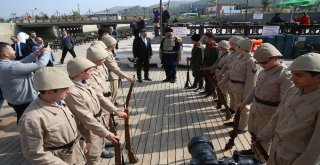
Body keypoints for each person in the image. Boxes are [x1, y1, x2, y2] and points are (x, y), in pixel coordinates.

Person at [257, 53, 320, 165]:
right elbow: (277, 117)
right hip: (276, 150)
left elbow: (315, 149)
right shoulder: (292, 91)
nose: (292, 78)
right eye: (292, 74)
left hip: (295, 159)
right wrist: (263, 136)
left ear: (318, 78)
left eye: (299, 75)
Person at [235, 43, 293, 162]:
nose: (261, 65)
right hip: (256, 108)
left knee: (264, 138)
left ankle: (260, 159)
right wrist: (244, 102)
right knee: (254, 132)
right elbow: (255, 89)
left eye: (264, 62)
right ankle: (254, 151)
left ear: (276, 58)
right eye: (259, 62)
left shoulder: (285, 75)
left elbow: (285, 102)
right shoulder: (263, 71)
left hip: (270, 112)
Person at [19, 67, 86, 165]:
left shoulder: (59, 101)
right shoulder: (31, 119)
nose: (69, 91)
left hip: (76, 155)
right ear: (48, 91)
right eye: (65, 88)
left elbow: (70, 124)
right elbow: (34, 153)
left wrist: (80, 141)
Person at [65, 57, 120, 164]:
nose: (94, 72)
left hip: (98, 123)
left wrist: (115, 110)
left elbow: (99, 96)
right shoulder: (72, 92)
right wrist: (107, 134)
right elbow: (86, 117)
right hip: (89, 130)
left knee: (98, 151)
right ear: (81, 73)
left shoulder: (84, 82)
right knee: (93, 158)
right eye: (91, 70)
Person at [0, 42, 50, 124]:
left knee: (21, 117)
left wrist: (35, 54)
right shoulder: (11, 67)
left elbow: (20, 63)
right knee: (30, 121)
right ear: (5, 53)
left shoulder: (5, 65)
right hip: (25, 102)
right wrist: (47, 52)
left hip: (14, 100)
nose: (14, 51)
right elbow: (40, 64)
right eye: (12, 49)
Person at [229, 38, 258, 134]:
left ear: (242, 47)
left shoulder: (251, 61)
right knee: (236, 107)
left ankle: (242, 127)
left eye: (237, 46)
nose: (235, 47)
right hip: (234, 87)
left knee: (244, 109)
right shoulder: (239, 57)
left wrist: (247, 96)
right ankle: (236, 122)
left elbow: (251, 80)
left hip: (242, 89)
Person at [101, 35, 135, 105]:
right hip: (111, 77)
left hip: (114, 76)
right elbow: (114, 68)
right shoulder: (106, 54)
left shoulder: (108, 52)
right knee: (112, 97)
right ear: (111, 44)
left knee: (113, 96)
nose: (115, 45)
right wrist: (127, 77)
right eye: (114, 44)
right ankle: (111, 113)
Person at [201, 32, 218, 97]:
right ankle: (207, 90)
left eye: (206, 38)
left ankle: (211, 92)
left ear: (210, 38)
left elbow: (215, 59)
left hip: (210, 66)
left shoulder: (214, 47)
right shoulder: (207, 45)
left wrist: (211, 67)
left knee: (210, 80)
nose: (204, 39)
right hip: (206, 65)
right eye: (204, 37)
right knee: (206, 79)